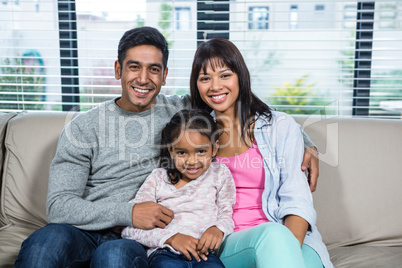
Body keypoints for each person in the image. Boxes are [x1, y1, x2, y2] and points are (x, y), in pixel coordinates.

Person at [14, 26, 319, 267]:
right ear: (118, 69)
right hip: (88, 229)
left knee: (114, 256)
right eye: (134, 68)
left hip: (137, 239)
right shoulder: (82, 127)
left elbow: (236, 107)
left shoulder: (179, 111)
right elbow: (59, 206)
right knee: (44, 243)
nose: (143, 79)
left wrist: (306, 143)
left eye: (154, 70)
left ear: (165, 76)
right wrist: (128, 213)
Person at [190, 38, 333, 268]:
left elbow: (297, 200)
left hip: (288, 237)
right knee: (273, 236)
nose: (215, 86)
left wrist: (282, 252)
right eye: (205, 78)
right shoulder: (197, 135)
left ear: (241, 77)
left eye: (225, 75)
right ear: (196, 85)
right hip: (230, 242)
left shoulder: (280, 126)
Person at [121, 109, 236, 268]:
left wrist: (219, 228)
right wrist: (171, 238)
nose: (191, 161)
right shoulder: (158, 178)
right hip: (165, 253)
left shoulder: (220, 174)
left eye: (201, 151)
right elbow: (130, 230)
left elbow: (226, 213)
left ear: (214, 149)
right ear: (171, 151)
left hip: (204, 255)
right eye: (182, 153)